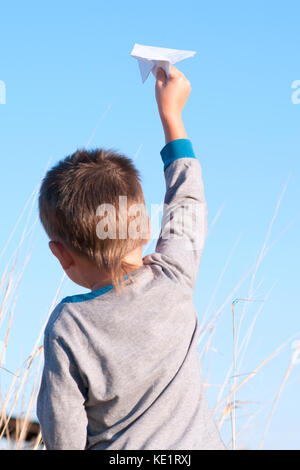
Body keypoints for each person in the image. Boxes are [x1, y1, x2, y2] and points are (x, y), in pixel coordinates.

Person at [36, 65, 225, 450]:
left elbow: (64, 436)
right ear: (143, 228)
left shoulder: (68, 327)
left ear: (61, 255)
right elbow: (187, 201)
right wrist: (172, 116)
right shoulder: (173, 277)